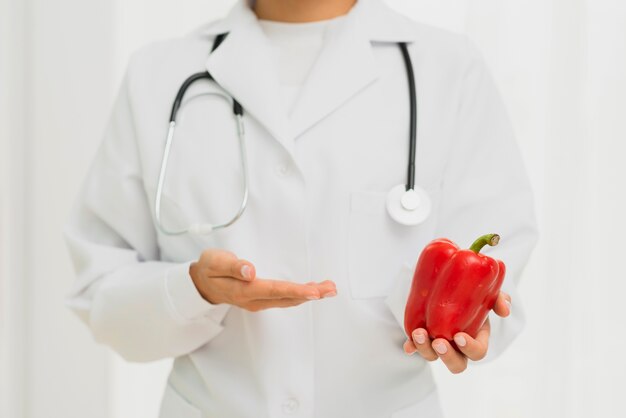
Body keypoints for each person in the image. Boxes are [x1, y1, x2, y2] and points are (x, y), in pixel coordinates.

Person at [65, 0, 538, 416]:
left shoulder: (448, 67)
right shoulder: (158, 73)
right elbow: (101, 293)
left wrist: (467, 327)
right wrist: (194, 290)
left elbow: (498, 268)